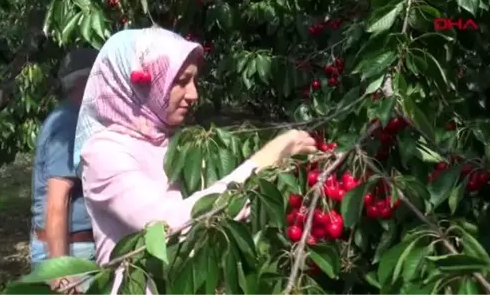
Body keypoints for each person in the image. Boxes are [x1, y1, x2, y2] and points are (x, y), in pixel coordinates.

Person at [73, 27, 317, 294]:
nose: (194, 95)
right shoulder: (103, 154)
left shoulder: (175, 143)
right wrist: (265, 159)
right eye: (180, 81)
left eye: (194, 81)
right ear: (142, 83)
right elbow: (168, 225)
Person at [29, 48, 99, 293]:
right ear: (87, 80)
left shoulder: (66, 117)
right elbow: (58, 199)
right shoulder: (71, 122)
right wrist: (61, 272)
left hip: (72, 248)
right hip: (71, 251)